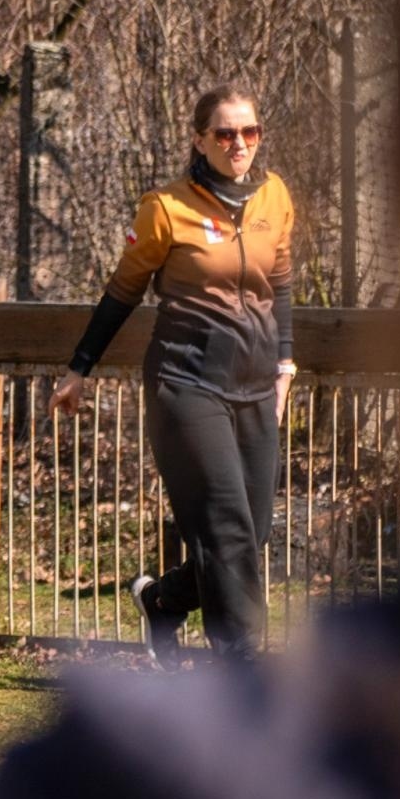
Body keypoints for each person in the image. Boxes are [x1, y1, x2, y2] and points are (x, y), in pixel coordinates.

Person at [48, 83, 294, 666]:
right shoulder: (167, 207)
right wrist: (79, 367)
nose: (240, 144)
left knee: (248, 535)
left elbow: (280, 282)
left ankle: (161, 601)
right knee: (227, 528)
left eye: (250, 132)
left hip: (257, 385)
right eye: (226, 134)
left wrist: (286, 364)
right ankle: (240, 671)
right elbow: (122, 292)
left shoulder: (275, 197)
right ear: (200, 139)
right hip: (186, 384)